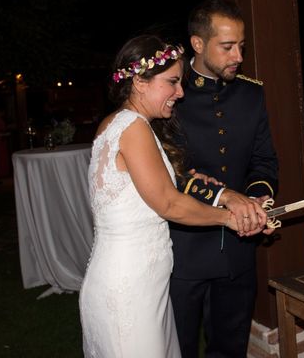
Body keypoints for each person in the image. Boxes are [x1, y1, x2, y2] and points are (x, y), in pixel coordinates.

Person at [79, 34, 268, 358]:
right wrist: (230, 218)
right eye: (172, 83)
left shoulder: (119, 124)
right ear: (139, 81)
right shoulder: (133, 127)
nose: (179, 93)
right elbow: (167, 202)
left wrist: (203, 187)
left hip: (140, 282)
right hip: (130, 289)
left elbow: (148, 188)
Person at [170, 0, 278, 358]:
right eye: (228, 47)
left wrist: (257, 199)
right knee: (179, 346)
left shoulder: (251, 94)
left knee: (231, 348)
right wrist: (226, 198)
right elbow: (168, 172)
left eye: (241, 46)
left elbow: (263, 160)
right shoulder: (170, 96)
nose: (239, 57)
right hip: (182, 250)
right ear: (197, 45)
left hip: (238, 252)